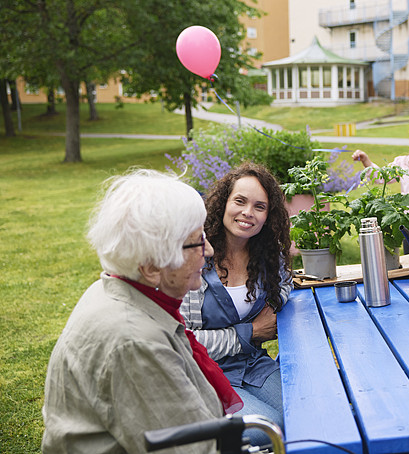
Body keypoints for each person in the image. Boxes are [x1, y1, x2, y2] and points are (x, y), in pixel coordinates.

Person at [42, 170, 239, 454]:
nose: (208, 250)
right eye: (197, 242)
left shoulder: (114, 290)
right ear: (152, 267)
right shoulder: (135, 343)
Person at [181, 162, 292, 447]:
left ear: (268, 216)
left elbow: (285, 283)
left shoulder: (267, 254)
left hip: (253, 365)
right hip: (205, 374)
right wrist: (251, 332)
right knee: (266, 429)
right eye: (239, 201)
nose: (247, 213)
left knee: (304, 410)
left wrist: (276, 303)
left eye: (259, 206)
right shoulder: (195, 257)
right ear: (223, 204)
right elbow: (186, 342)